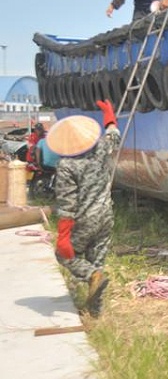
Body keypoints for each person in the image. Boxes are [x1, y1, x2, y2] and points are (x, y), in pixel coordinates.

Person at [47, 100, 120, 317]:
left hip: (84, 219)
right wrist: (109, 115)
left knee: (64, 256)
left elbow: (67, 203)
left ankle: (91, 276)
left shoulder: (66, 166)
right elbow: (113, 135)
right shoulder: (100, 148)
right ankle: (95, 309)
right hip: (106, 214)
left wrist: (63, 235)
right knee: (97, 258)